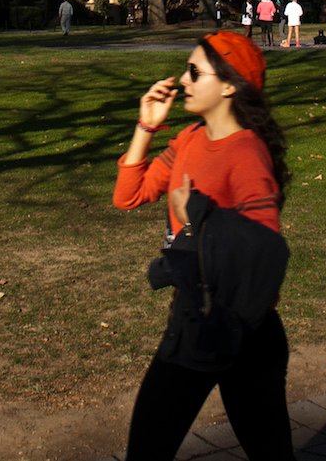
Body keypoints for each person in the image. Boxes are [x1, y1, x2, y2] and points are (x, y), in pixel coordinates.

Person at [113, 31, 296, 461]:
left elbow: (265, 255)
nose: (183, 79)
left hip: (242, 331)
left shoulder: (247, 154)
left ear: (230, 85)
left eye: (195, 72)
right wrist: (147, 126)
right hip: (194, 317)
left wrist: (196, 213)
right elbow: (128, 195)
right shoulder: (191, 139)